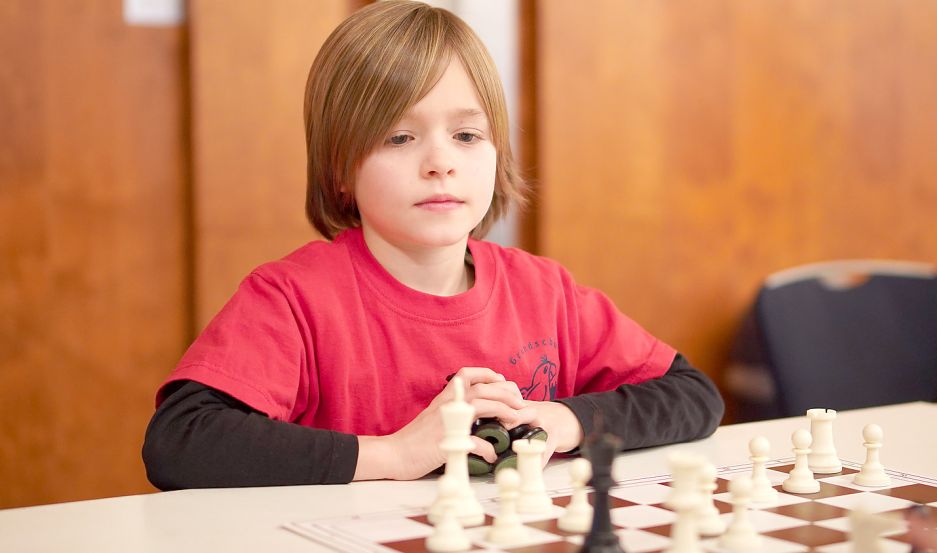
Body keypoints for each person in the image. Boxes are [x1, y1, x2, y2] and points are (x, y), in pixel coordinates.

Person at [142, 0, 724, 489]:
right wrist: (395, 455)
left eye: (467, 135)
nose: (441, 163)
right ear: (341, 167)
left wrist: (562, 420)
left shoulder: (546, 292)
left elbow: (693, 396)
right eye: (399, 136)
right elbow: (181, 441)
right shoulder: (293, 298)